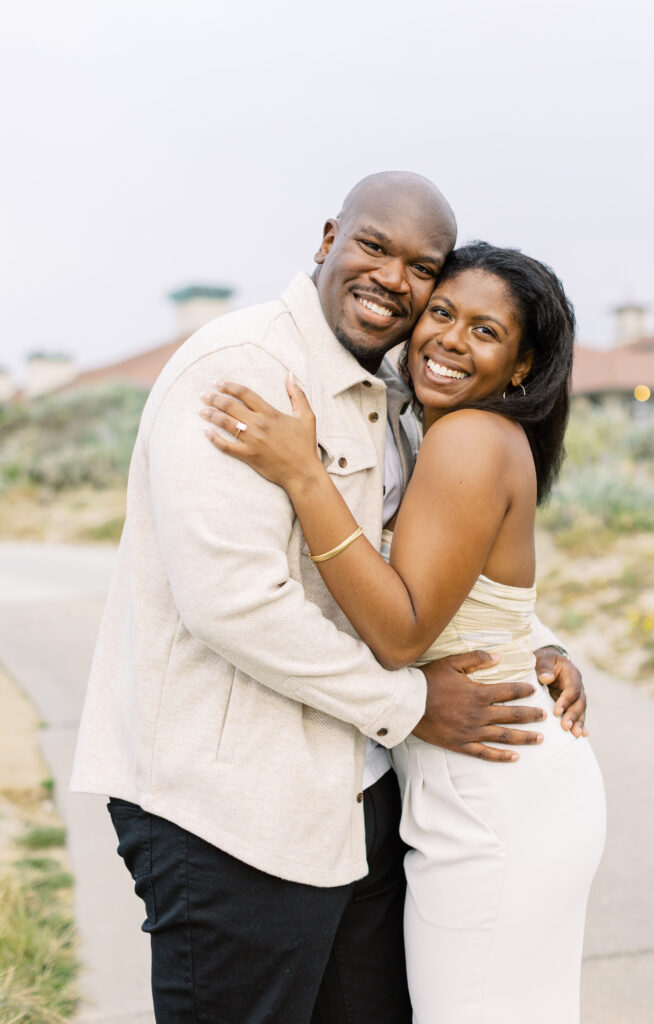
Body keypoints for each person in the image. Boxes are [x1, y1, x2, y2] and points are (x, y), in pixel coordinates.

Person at [71, 173, 586, 1023]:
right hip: (231, 812)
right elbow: (235, 604)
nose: (393, 278)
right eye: (374, 246)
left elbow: (427, 564)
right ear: (326, 239)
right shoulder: (247, 368)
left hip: (356, 801)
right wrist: (412, 701)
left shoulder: (398, 398)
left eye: (422, 267)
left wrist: (531, 642)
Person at [200, 240, 606, 1023]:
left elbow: (402, 635)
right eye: (443, 313)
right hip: (503, 775)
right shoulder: (445, 430)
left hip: (490, 787)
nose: (450, 339)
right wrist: (543, 645)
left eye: (485, 332)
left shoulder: (466, 438)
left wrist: (303, 475)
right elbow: (476, 587)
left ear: (522, 367)